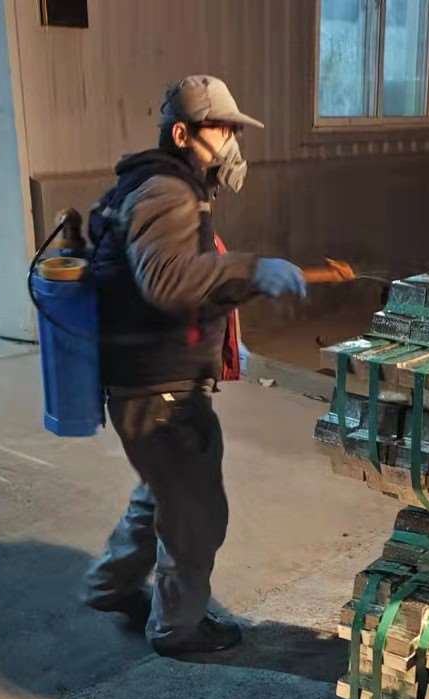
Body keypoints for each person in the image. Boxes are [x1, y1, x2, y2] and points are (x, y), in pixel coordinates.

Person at [82, 75, 308, 656]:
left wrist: (228, 323)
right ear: (182, 134)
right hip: (158, 386)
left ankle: (112, 583)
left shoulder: (152, 185)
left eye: (234, 129)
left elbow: (170, 277)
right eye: (222, 129)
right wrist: (252, 270)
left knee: (163, 490)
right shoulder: (168, 193)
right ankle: (178, 627)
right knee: (196, 512)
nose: (232, 142)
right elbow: (166, 281)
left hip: (145, 379)